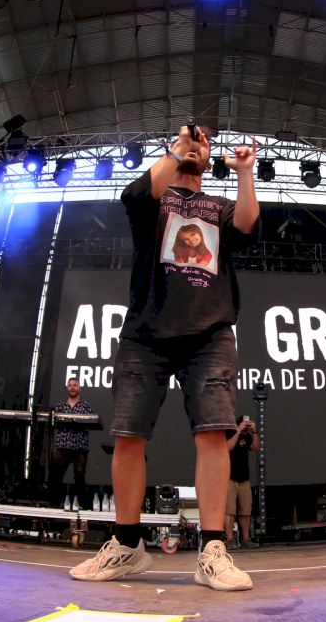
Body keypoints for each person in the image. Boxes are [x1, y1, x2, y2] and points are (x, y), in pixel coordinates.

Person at [69, 123, 260, 591]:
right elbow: (133, 196)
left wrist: (245, 172)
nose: (197, 145)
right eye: (190, 140)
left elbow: (247, 225)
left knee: (213, 433)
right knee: (128, 436)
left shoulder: (218, 207)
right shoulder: (156, 200)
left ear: (210, 160)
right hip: (146, 332)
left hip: (210, 333)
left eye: (203, 143)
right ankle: (127, 546)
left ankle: (213, 550)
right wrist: (178, 149)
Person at [49, 377, 96, 510]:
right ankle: (54, 504)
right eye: (70, 385)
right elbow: (53, 423)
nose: (73, 387)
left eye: (75, 385)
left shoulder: (85, 406)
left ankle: (81, 505)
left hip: (80, 447)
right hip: (63, 447)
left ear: (79, 388)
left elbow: (92, 424)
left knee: (79, 477)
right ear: (67, 388)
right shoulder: (60, 406)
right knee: (56, 476)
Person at [225, 415, 260, 548]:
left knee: (246, 511)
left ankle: (246, 539)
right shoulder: (230, 433)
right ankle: (230, 539)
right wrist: (238, 431)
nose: (246, 427)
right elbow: (227, 447)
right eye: (244, 424)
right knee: (230, 510)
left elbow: (256, 448)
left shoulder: (248, 436)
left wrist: (255, 431)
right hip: (230, 478)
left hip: (244, 479)